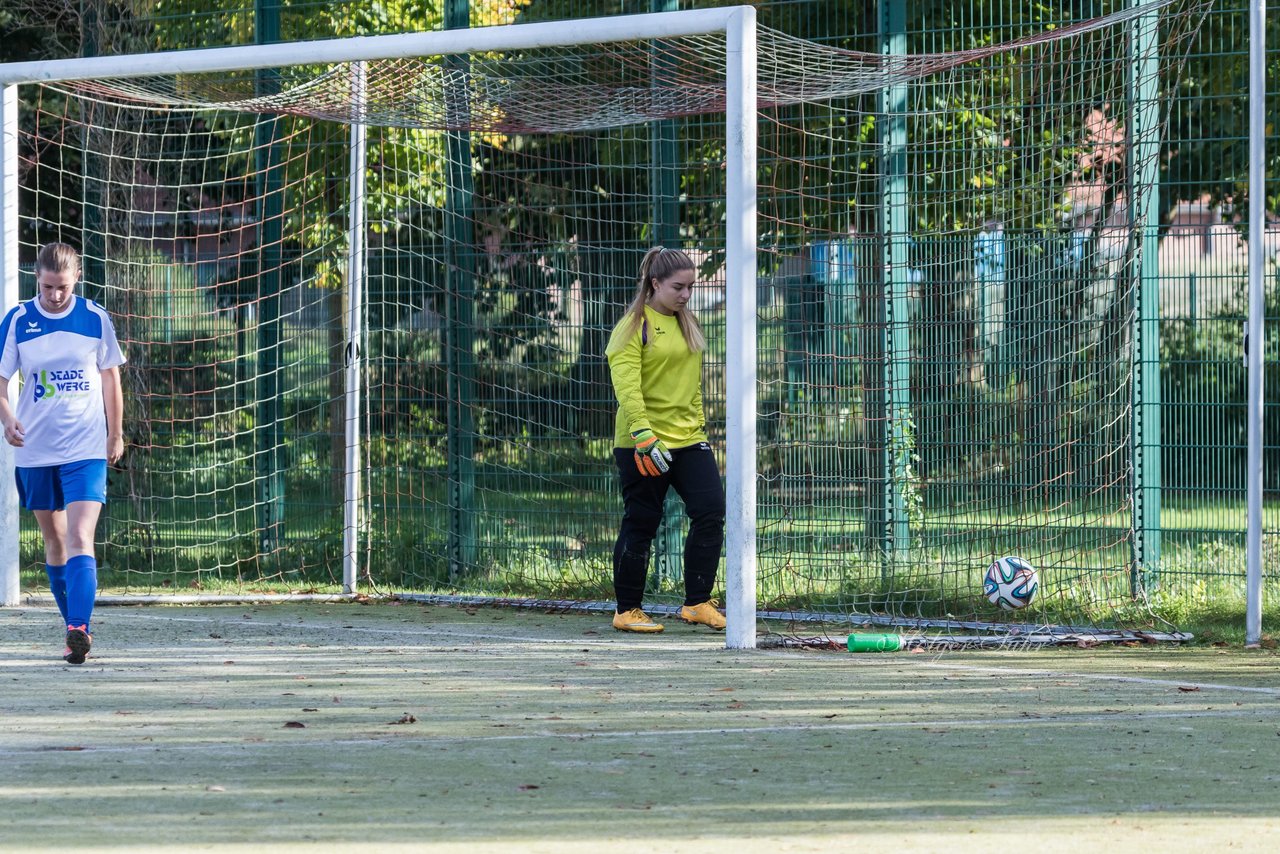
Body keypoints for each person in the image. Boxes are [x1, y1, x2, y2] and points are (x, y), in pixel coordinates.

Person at [0, 242, 126, 664]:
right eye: (50, 287)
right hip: (34, 451)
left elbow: (110, 379)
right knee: (54, 543)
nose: (57, 295)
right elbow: (0, 382)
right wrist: (7, 417)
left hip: (85, 446)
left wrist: (115, 433)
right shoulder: (18, 320)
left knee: (79, 537)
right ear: (37, 278)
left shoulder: (94, 318)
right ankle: (71, 627)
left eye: (64, 287)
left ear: (77, 280)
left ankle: (80, 628)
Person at [605, 246, 726, 633]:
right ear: (655, 283)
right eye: (679, 287)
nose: (686, 295)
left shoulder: (687, 325)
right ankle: (627, 610)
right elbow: (627, 386)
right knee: (642, 521)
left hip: (688, 439)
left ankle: (697, 603)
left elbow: (690, 387)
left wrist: (699, 428)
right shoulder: (632, 326)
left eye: (691, 287)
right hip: (643, 442)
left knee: (711, 512)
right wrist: (642, 433)